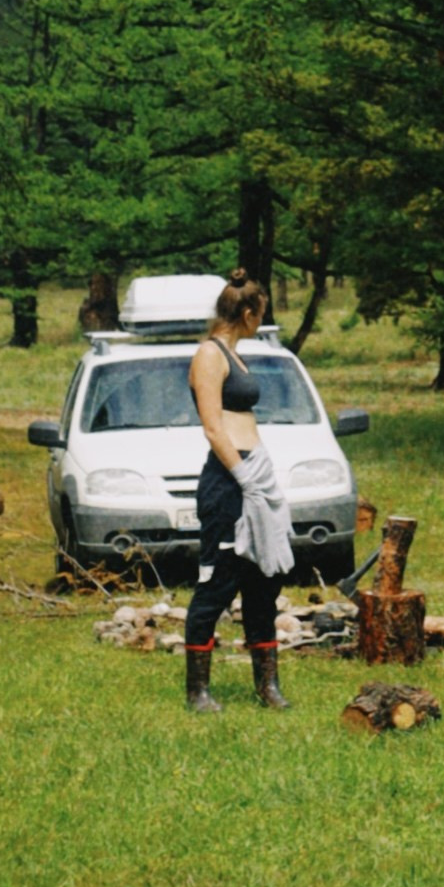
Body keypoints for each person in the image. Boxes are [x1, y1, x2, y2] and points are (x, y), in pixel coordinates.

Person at [182, 269, 294, 714]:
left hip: (253, 474)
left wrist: (263, 474)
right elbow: (213, 426)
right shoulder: (210, 355)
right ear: (247, 313)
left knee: (263, 581)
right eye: (259, 316)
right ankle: (198, 692)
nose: (259, 323)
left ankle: (267, 686)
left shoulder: (235, 353)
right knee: (219, 581)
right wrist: (242, 476)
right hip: (228, 482)